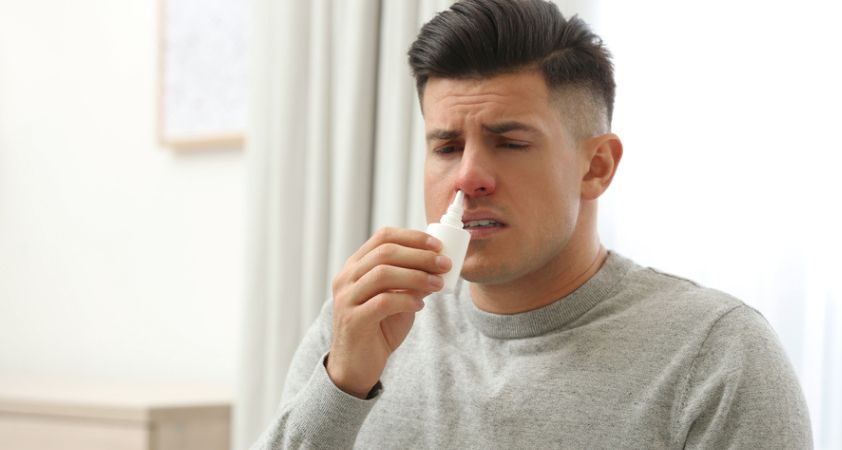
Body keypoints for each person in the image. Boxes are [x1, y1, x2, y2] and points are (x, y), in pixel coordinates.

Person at [253, 0, 812, 448]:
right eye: (447, 146)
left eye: (510, 143)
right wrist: (342, 384)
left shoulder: (716, 354)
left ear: (596, 167)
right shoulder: (367, 319)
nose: (468, 177)